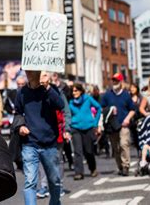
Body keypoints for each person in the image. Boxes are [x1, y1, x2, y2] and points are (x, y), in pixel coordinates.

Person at [15, 70, 65, 205]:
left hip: (49, 143)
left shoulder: (50, 90)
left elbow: (61, 105)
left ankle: (55, 202)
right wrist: (20, 126)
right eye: (28, 71)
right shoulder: (21, 92)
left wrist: (48, 88)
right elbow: (18, 113)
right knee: (30, 181)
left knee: (54, 180)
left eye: (33, 71)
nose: (30, 73)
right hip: (30, 143)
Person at [100, 73, 136, 176]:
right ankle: (120, 166)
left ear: (121, 82)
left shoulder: (126, 95)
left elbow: (132, 109)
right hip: (112, 126)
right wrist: (109, 110)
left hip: (123, 124)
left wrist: (127, 119)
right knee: (116, 148)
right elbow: (101, 108)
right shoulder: (107, 94)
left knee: (124, 144)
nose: (114, 82)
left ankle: (125, 166)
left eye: (116, 80)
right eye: (113, 80)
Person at [69, 83, 101, 180]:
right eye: (73, 91)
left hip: (88, 127)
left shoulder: (87, 99)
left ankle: (93, 168)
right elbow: (66, 114)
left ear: (81, 91)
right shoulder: (70, 102)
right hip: (75, 128)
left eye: (76, 90)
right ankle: (78, 172)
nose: (74, 93)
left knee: (88, 150)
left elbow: (98, 108)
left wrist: (95, 123)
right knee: (77, 151)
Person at [50, 73, 73, 171]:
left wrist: (67, 129)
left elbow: (66, 110)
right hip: (44, 132)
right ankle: (45, 186)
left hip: (59, 129)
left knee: (59, 157)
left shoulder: (62, 91)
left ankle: (57, 184)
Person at [129, 83, 143, 157]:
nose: (132, 89)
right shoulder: (128, 98)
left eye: (134, 87)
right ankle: (138, 149)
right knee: (134, 137)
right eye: (131, 88)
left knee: (140, 135)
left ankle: (141, 150)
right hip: (131, 121)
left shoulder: (140, 98)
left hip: (140, 120)